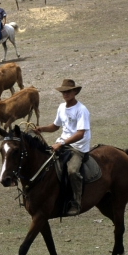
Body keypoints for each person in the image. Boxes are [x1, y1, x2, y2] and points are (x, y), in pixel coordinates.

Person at [34, 79, 91, 216]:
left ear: (75, 92)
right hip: (62, 143)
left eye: (68, 91)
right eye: (63, 92)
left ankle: (76, 203)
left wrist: (61, 143)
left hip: (78, 147)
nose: (65, 94)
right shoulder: (61, 107)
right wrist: (42, 129)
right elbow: (55, 126)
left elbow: (80, 134)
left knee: (72, 171)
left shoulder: (81, 110)